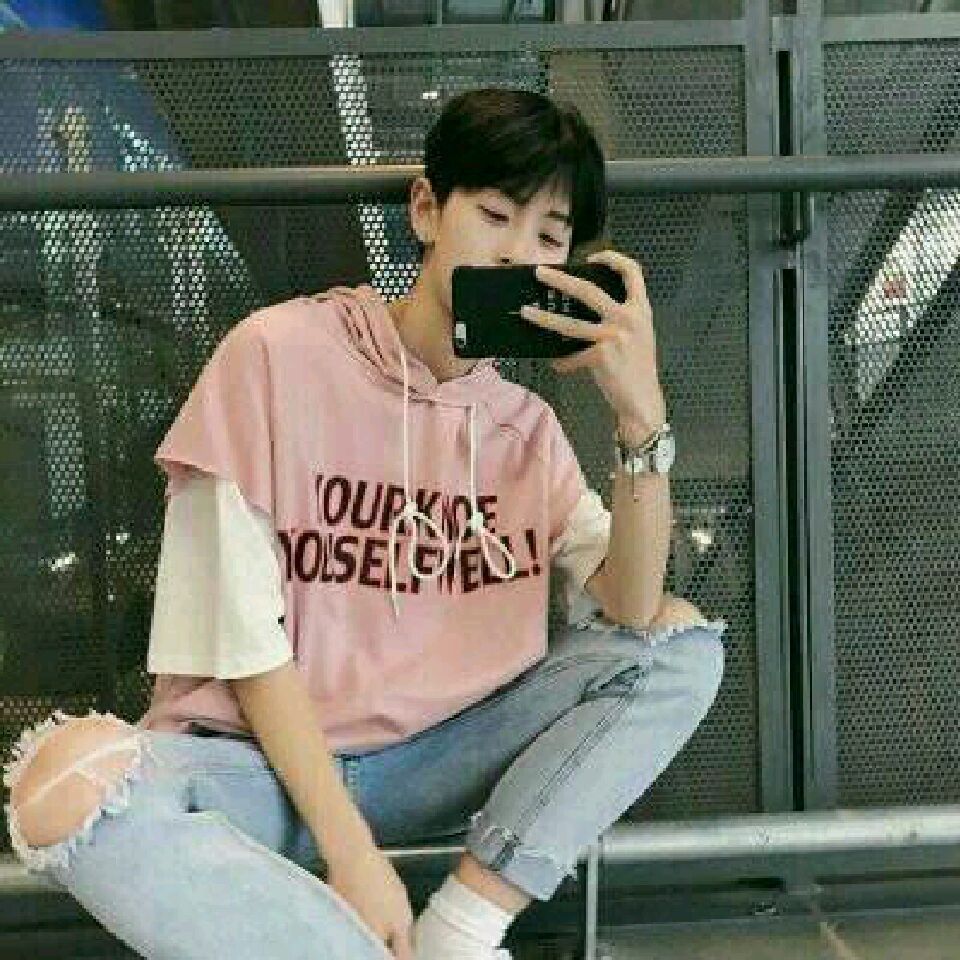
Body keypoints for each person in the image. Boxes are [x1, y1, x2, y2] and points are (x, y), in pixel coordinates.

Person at [3, 87, 727, 960]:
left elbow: (635, 610)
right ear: (425, 209)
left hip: (443, 760)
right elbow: (245, 642)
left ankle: (463, 930)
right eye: (495, 215)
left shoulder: (523, 431)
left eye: (548, 236)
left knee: (680, 647)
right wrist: (350, 851)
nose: (516, 253)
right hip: (262, 766)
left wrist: (641, 419)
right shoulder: (274, 356)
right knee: (62, 790)